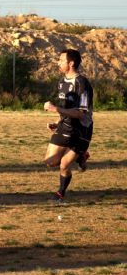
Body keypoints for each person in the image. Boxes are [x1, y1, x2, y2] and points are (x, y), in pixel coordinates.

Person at [43, 48, 93, 203]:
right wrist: (57, 121)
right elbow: (66, 107)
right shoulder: (61, 82)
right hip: (65, 125)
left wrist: (55, 109)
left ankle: (60, 193)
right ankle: (81, 156)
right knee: (50, 162)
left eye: (61, 60)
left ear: (71, 63)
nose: (58, 62)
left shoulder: (82, 83)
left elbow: (80, 113)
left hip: (81, 130)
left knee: (64, 165)